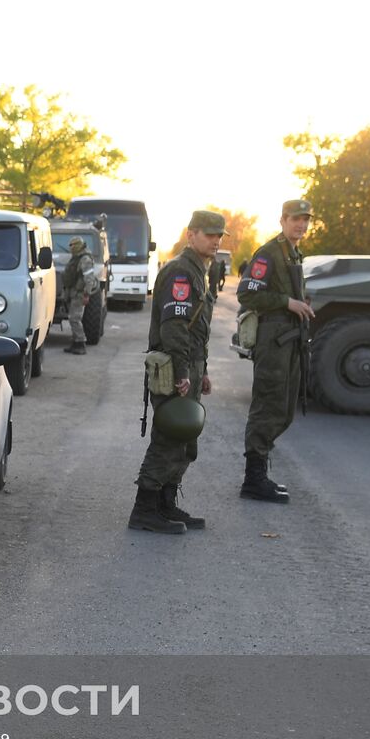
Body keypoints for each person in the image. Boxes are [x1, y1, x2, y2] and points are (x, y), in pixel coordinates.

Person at [128, 210, 225, 534]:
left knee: (185, 440)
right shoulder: (181, 272)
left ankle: (165, 505)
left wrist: (203, 370)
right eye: (209, 234)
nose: (215, 240)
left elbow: (197, 330)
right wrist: (184, 372)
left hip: (189, 367)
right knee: (169, 437)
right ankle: (145, 510)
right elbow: (175, 328)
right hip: (174, 369)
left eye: (219, 235)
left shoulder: (199, 270)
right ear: (191, 234)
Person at [237, 199, 314, 504]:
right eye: (296, 218)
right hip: (273, 341)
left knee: (284, 411)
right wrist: (287, 303)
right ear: (283, 220)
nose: (301, 224)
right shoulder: (269, 253)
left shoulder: (293, 252)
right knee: (268, 407)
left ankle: (259, 473)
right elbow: (247, 293)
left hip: (290, 339)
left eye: (306, 219)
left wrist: (301, 306)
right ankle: (253, 479)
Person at [60, 237, 95, 354]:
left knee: (75, 319)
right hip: (73, 293)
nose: (71, 248)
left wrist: (86, 294)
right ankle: (75, 343)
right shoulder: (76, 258)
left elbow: (89, 279)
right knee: (73, 318)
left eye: (73, 245)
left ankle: (80, 343)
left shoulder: (85, 259)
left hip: (79, 294)